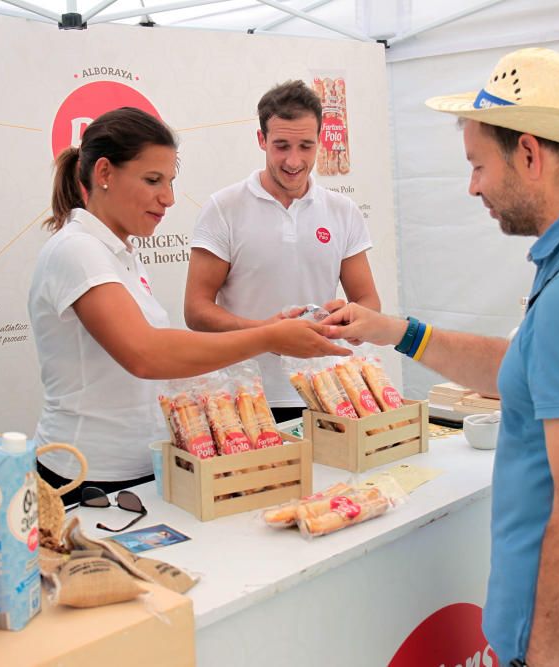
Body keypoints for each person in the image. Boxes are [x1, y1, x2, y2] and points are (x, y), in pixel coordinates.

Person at [322, 48, 559, 666]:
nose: (472, 186)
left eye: (477, 165)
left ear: (529, 152)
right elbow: (528, 370)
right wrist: (396, 331)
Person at [30, 107, 347, 506]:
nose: (168, 198)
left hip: (139, 469)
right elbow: (145, 354)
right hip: (87, 477)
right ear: (105, 173)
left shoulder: (119, 252)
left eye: (171, 181)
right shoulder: (77, 250)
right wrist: (267, 337)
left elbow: (156, 350)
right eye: (153, 181)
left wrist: (264, 331)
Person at [184, 80, 381, 422]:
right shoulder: (224, 207)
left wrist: (347, 319)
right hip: (245, 398)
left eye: (306, 146)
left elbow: (368, 302)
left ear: (320, 140)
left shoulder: (342, 210)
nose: (294, 160)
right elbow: (196, 310)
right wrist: (266, 335)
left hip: (327, 390)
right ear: (261, 140)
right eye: (281, 146)